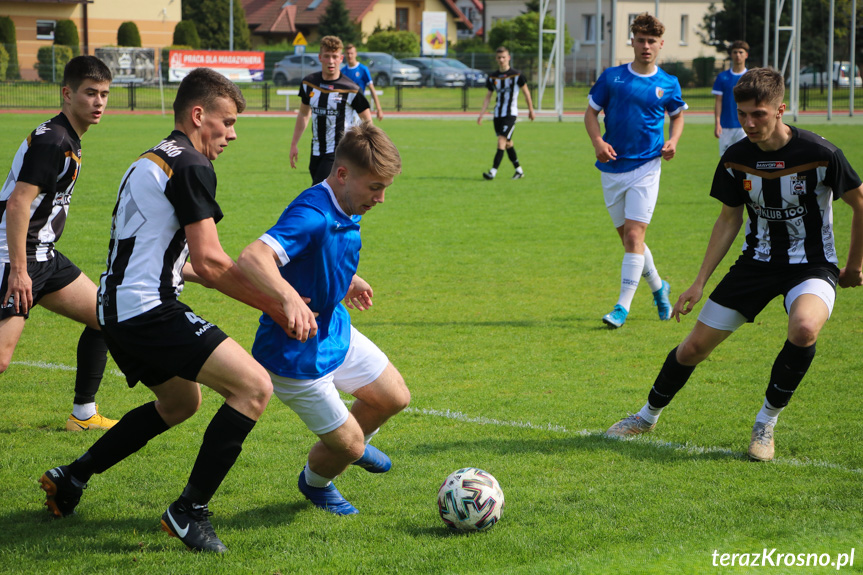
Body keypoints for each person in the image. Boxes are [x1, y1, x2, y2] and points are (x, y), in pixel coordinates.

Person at [39, 68, 303, 553]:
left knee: (182, 403)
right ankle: (189, 512)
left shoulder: (151, 158)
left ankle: (72, 477)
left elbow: (184, 263)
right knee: (254, 388)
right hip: (147, 311)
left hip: (114, 309)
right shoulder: (193, 166)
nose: (233, 134)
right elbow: (210, 259)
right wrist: (279, 301)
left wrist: (276, 297)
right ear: (198, 115)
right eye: (226, 122)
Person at [606, 68, 863, 462]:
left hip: (811, 265)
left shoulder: (820, 153)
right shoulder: (736, 157)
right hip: (754, 266)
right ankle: (645, 416)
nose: (748, 123)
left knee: (805, 327)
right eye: (742, 114)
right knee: (692, 348)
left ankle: (766, 423)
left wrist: (854, 265)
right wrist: (698, 283)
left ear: (780, 109)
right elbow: (729, 219)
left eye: (758, 114)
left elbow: (860, 202)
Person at [238, 122, 410, 515]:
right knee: (351, 446)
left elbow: (320, 253)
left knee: (394, 397)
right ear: (344, 174)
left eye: (385, 188)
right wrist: (287, 298)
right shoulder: (312, 214)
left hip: (333, 329)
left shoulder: (348, 200)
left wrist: (347, 280)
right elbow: (253, 257)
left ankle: (332, 461)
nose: (381, 199)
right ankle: (322, 477)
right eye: (375, 187)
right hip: (295, 355)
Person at [0, 55, 117, 431]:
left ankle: (83, 414)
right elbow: (18, 203)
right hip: (15, 256)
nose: (98, 102)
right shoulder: (55, 140)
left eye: (104, 94)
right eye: (89, 93)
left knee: (104, 318)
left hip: (44, 255)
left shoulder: (67, 136)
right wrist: (19, 270)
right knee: (2, 358)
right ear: (67, 94)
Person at [584, 12, 686, 329]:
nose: (646, 46)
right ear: (632, 42)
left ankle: (621, 308)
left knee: (633, 236)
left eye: (651, 41)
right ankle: (659, 287)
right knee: (631, 243)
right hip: (612, 168)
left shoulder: (668, 83)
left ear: (660, 45)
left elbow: (678, 116)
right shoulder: (613, 77)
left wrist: (673, 140)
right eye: (640, 40)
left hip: (647, 166)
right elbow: (590, 114)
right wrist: (598, 141)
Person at [290, 36, 373, 185]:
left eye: (335, 57)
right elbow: (303, 113)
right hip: (316, 150)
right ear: (320, 57)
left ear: (341, 58)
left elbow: (367, 120)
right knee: (331, 196)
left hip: (339, 151)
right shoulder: (309, 84)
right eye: (327, 56)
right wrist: (294, 144)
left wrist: (369, 148)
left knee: (318, 191)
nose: (331, 61)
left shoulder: (351, 89)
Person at [477, 46, 535, 180]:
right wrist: (481, 114)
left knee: (501, 141)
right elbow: (488, 97)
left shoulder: (517, 75)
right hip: (497, 114)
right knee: (508, 143)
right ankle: (519, 171)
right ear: (496, 59)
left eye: (504, 57)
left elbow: (526, 93)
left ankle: (493, 172)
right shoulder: (493, 77)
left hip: (510, 114)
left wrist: (531, 110)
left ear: (508, 58)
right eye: (499, 57)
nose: (501, 60)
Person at [713, 40, 749, 156]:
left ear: (746, 55)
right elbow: (718, 101)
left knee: (744, 157)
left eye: (740, 52)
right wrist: (717, 123)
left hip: (744, 125)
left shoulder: (750, 77)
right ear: (731, 55)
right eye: (735, 52)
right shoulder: (722, 77)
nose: (738, 55)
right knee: (726, 159)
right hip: (726, 125)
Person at [341, 43, 384, 123]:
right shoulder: (342, 71)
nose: (350, 55)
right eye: (348, 53)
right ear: (344, 54)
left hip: (359, 107)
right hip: (346, 107)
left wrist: (379, 109)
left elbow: (372, 89)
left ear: (355, 54)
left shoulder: (363, 69)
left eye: (351, 53)